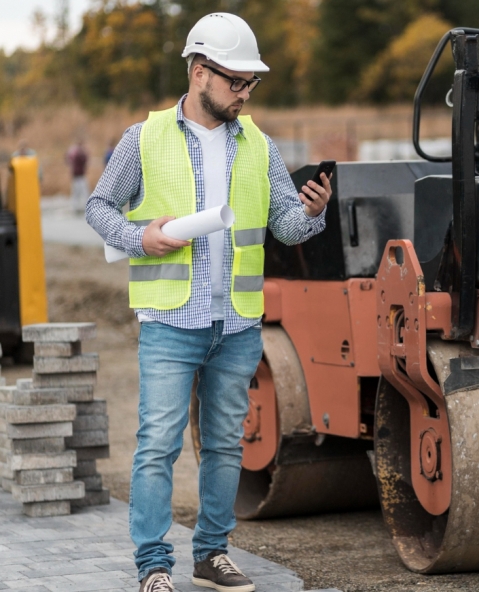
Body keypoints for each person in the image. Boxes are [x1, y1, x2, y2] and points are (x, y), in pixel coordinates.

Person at [85, 12, 332, 592]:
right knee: (157, 447)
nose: (245, 93)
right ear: (200, 72)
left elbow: (285, 228)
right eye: (236, 82)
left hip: (238, 324)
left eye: (252, 84)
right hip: (171, 321)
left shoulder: (260, 147)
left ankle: (211, 553)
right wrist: (141, 237)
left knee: (225, 445)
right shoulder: (143, 137)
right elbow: (99, 208)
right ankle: (153, 566)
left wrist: (313, 214)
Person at [66, 139, 89, 212]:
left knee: (81, 192)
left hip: (78, 175)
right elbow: (84, 159)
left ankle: (78, 206)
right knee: (80, 192)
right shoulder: (77, 153)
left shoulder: (72, 152)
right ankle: (76, 207)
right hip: (78, 176)